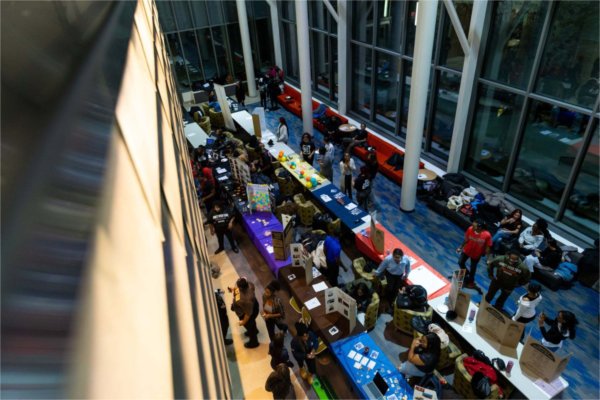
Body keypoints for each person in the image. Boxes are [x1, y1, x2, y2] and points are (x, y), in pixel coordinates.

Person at [456, 219, 492, 289]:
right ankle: (466, 272)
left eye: (474, 226)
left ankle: (471, 282)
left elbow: (488, 248)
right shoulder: (470, 229)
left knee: (473, 268)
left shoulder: (487, 235)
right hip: (467, 250)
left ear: (480, 227)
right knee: (460, 262)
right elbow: (466, 239)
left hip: (476, 254)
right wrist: (460, 247)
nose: (472, 227)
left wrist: (488, 259)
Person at [230, 277, 260, 348]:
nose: (236, 287)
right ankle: (255, 331)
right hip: (253, 306)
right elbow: (239, 291)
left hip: (247, 312)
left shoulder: (247, 300)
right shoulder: (250, 284)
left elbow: (248, 314)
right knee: (252, 324)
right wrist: (234, 290)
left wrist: (243, 322)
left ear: (241, 288)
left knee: (249, 325)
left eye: (237, 286)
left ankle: (254, 342)